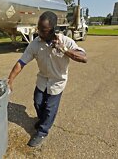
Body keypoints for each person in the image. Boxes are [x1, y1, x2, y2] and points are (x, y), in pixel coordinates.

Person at [7, 11, 87, 147]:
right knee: (38, 102)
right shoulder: (35, 44)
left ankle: (43, 131)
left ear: (53, 30)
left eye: (43, 30)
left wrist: (64, 50)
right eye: (39, 28)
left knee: (50, 108)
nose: (40, 33)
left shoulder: (66, 41)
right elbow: (21, 62)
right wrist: (10, 80)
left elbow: (83, 57)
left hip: (57, 81)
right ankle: (43, 120)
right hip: (42, 79)